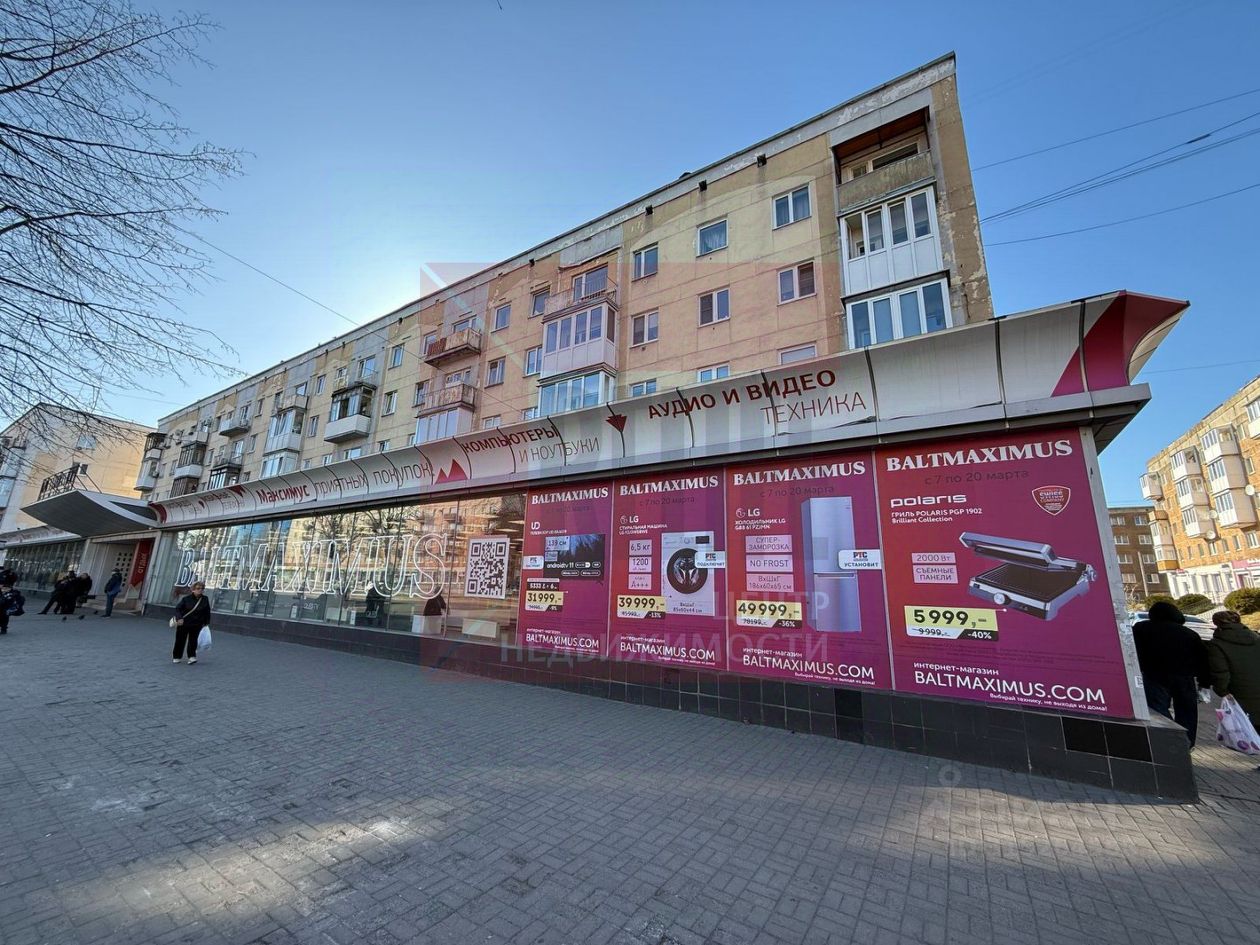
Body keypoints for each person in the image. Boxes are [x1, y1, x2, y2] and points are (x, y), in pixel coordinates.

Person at [1133, 601, 1210, 746]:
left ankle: (1169, 738)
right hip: (1184, 677)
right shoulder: (1189, 634)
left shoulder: (1142, 628)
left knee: (1158, 708)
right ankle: (1186, 742)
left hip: (1154, 674)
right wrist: (1204, 683)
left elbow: (1133, 650)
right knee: (1187, 711)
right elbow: (1203, 659)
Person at [1207, 610, 1260, 727]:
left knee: (1246, 727)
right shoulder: (1256, 638)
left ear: (1217, 623)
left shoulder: (1217, 644)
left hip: (1239, 691)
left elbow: (1220, 671)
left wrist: (1222, 691)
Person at [171, 581, 212, 664]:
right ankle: (177, 656)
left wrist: (206, 622)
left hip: (197, 623)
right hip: (184, 623)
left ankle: (192, 656)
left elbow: (207, 611)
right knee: (180, 640)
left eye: (202, 588)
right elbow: (178, 609)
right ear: (193, 589)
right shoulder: (186, 599)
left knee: (193, 640)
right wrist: (179, 618)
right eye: (198, 588)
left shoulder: (205, 599)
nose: (200, 590)